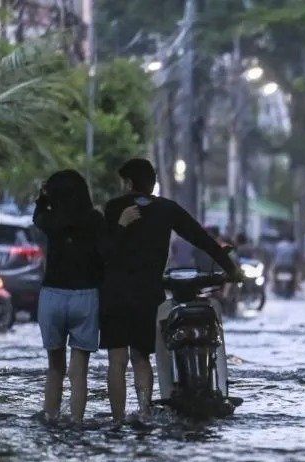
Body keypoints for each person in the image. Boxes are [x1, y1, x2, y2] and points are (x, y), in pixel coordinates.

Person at [99, 158, 241, 424]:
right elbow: (199, 237)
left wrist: (120, 225)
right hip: (149, 295)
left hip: (115, 294)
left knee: (116, 361)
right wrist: (230, 267)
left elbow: (105, 252)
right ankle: (143, 413)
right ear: (152, 184)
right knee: (141, 357)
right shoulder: (167, 209)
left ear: (129, 183)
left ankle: (118, 420)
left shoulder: (115, 208)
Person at [31, 169, 106, 425]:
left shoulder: (51, 220)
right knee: (79, 372)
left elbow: (37, 217)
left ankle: (51, 416)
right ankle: (76, 420)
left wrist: (42, 198)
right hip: (85, 296)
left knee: (55, 369)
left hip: (52, 296)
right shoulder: (95, 220)